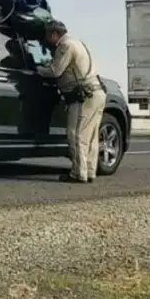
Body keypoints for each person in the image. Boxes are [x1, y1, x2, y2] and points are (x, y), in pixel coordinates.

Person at [36, 20, 105, 183]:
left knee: (76, 134)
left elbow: (55, 71)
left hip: (83, 96)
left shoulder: (65, 46)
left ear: (54, 34)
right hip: (98, 92)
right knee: (92, 136)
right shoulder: (78, 42)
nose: (47, 39)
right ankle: (89, 171)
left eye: (47, 35)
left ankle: (78, 173)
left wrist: (37, 68)